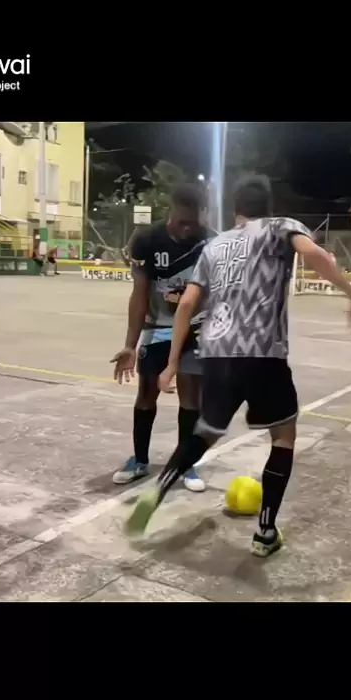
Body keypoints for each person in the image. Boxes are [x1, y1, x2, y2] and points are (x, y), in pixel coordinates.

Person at [125, 176, 351, 556]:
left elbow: (186, 304)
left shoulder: (216, 245)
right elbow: (317, 256)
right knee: (283, 436)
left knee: (206, 431)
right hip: (262, 354)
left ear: (236, 210)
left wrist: (172, 363)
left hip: (216, 355)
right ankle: (266, 532)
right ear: (268, 207)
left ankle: (159, 489)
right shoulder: (281, 227)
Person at [111, 184, 208, 492]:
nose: (187, 228)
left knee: (191, 398)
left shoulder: (210, 242)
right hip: (157, 329)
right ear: (171, 211)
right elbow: (139, 294)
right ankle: (140, 460)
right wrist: (130, 344)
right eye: (182, 222)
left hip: (195, 330)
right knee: (146, 396)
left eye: (193, 222)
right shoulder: (146, 240)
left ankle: (185, 464)